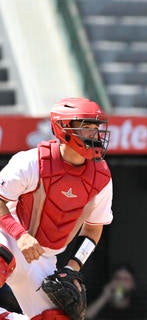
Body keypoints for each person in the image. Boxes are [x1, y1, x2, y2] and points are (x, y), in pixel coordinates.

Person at [0, 97, 113, 319]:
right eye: (86, 128)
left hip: (43, 257)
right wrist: (19, 235)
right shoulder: (32, 162)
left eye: (95, 129)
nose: (95, 135)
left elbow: (93, 230)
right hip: (9, 236)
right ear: (64, 129)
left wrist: (73, 266)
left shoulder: (101, 177)